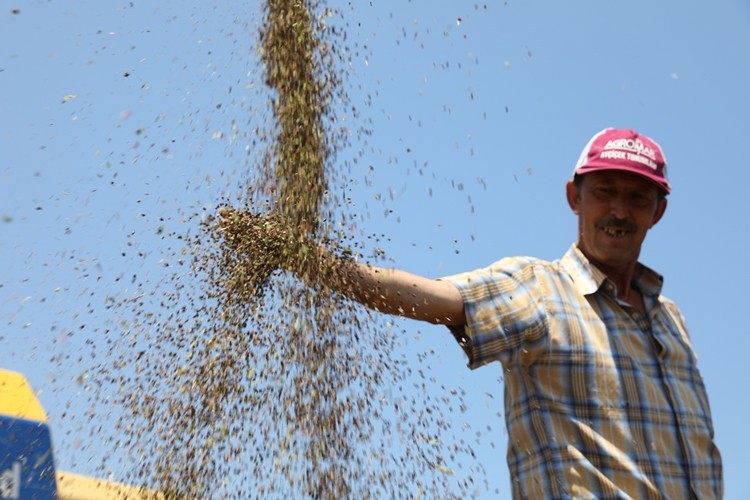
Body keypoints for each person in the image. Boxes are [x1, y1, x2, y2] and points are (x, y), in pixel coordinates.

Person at [222, 128, 723, 499]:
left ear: (657, 211)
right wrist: (306, 259)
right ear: (575, 197)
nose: (619, 209)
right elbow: (434, 298)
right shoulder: (541, 288)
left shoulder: (669, 318)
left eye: (637, 197)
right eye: (605, 192)